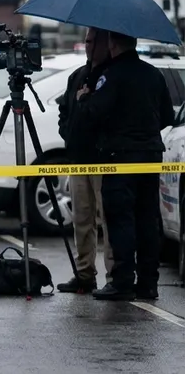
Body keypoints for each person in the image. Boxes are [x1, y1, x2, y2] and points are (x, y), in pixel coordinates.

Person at [73, 30, 174, 301]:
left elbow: (94, 113)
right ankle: (148, 283)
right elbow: (167, 116)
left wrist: (84, 98)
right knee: (148, 219)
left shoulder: (112, 75)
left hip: (120, 158)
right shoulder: (154, 74)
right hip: (151, 156)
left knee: (121, 219)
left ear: (113, 43)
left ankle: (122, 281)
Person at [56, 27, 115, 293]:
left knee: (109, 219)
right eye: (87, 41)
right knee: (82, 218)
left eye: (93, 42)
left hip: (104, 159)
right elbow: (65, 110)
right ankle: (84, 273)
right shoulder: (77, 76)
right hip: (78, 158)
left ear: (106, 44)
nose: (89, 46)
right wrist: (67, 132)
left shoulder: (112, 76)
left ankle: (114, 276)